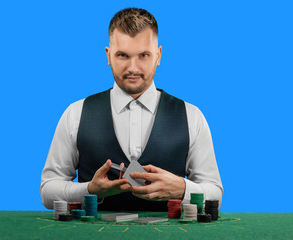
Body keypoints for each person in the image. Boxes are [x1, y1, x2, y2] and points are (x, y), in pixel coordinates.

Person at [40, 7, 223, 211]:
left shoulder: (192, 116)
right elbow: (48, 190)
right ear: (109, 55)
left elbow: (214, 191)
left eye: (143, 55)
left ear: (158, 55)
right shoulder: (76, 113)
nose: (133, 68)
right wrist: (90, 190)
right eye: (123, 56)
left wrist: (181, 189)